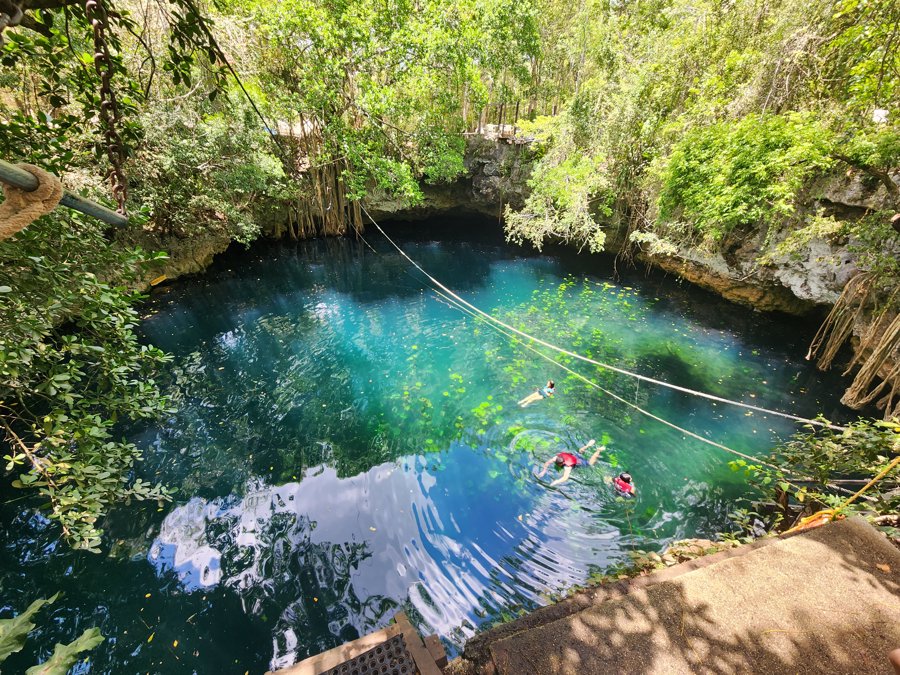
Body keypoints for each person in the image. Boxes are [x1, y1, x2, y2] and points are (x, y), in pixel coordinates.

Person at [536, 439, 603, 486]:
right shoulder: (556, 458)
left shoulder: (567, 467)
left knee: (590, 464)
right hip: (574, 456)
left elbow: (565, 478)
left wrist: (556, 482)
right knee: (580, 452)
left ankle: (598, 451)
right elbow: (547, 463)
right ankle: (588, 445)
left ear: (562, 463)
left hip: (579, 462)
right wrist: (544, 471)